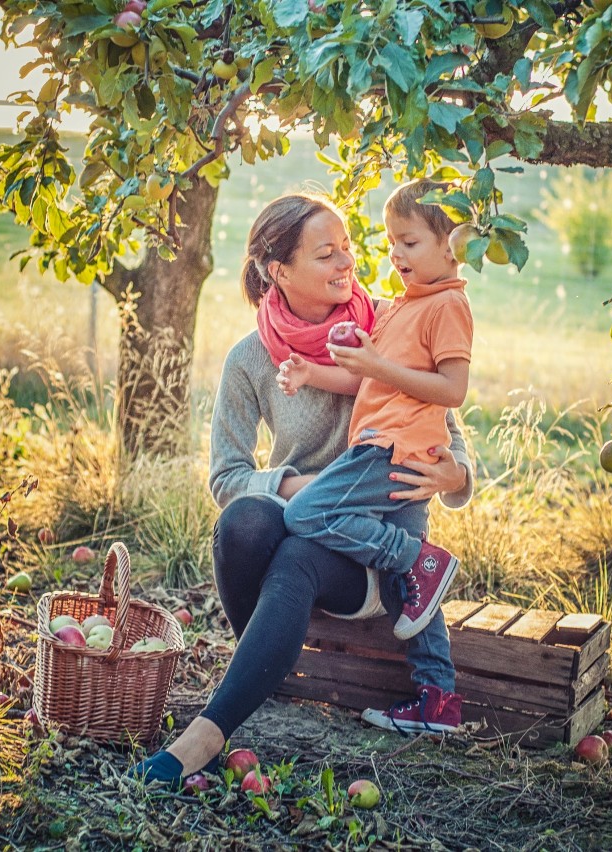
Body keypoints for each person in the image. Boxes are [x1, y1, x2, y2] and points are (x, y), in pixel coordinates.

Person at [129, 191, 474, 787]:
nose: (348, 264)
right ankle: (263, 662)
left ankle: (203, 738)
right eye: (326, 255)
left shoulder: (388, 325)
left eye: (347, 249)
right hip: (303, 519)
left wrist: (457, 475)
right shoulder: (250, 360)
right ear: (278, 271)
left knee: (296, 551)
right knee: (248, 520)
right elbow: (227, 478)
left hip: (369, 552)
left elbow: (447, 417)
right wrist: (297, 485)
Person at [278, 179, 473, 644]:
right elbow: (366, 378)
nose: (395, 254)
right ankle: (437, 699)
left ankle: (418, 557)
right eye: (391, 243)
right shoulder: (401, 308)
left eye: (409, 242)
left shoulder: (446, 305)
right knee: (411, 592)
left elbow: (453, 391)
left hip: (391, 448)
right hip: (395, 450)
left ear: (453, 249)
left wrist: (377, 363)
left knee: (304, 514)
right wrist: (312, 373)